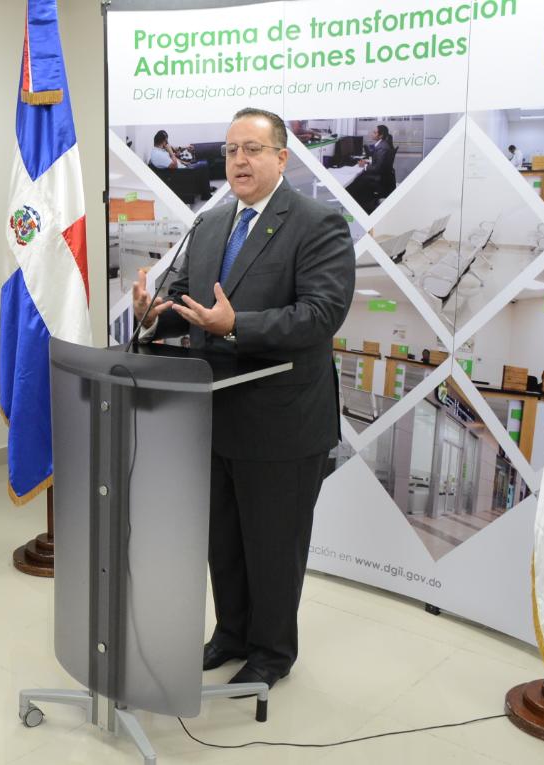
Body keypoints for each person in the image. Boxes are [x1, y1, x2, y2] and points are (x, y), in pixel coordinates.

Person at [132, 108, 354, 692]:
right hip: (214, 414)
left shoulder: (318, 222)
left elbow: (321, 314)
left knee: (273, 547)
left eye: (252, 149)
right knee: (224, 542)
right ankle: (231, 633)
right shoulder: (210, 223)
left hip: (283, 420)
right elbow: (188, 302)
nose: (239, 160)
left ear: (281, 157)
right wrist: (154, 314)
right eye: (231, 150)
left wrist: (236, 326)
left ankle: (271, 653)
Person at [346, 125, 396, 214]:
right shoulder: (382, 144)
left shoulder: (382, 147)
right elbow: (379, 163)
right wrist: (367, 163)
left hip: (380, 179)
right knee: (360, 178)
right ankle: (366, 203)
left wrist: (364, 166)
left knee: (355, 183)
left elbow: (377, 168)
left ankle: (361, 208)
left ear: (381, 135)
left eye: (375, 132)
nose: (372, 134)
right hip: (382, 177)